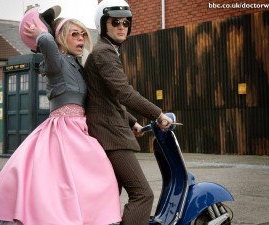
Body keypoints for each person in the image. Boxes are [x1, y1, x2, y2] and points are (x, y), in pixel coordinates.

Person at [0, 5, 121, 225]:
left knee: (97, 175)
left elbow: (103, 100)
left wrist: (129, 122)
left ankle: (91, 217)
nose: (81, 38)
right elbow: (46, 43)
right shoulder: (56, 62)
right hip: (62, 130)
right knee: (57, 184)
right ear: (61, 39)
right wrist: (39, 31)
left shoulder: (78, 67)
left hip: (80, 129)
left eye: (83, 33)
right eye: (74, 34)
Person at [84, 0, 174, 224]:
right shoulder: (104, 53)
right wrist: (157, 114)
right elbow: (124, 93)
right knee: (143, 194)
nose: (122, 26)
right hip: (111, 136)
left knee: (108, 195)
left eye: (126, 22)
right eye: (115, 22)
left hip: (109, 130)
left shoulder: (106, 51)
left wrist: (132, 121)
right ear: (103, 24)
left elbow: (107, 98)